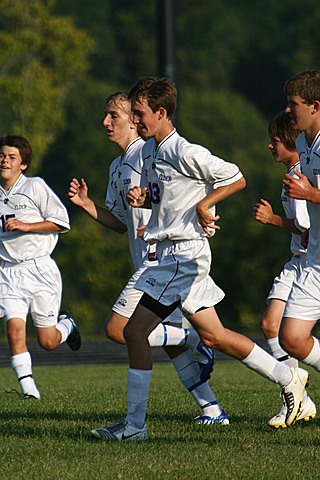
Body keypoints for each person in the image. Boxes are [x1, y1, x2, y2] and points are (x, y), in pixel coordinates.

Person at [89, 77, 309, 441]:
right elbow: (170, 196)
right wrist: (147, 198)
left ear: (161, 113)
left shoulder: (183, 150)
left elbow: (235, 177)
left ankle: (134, 427)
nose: (136, 120)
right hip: (174, 255)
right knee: (216, 336)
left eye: (140, 113)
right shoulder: (152, 151)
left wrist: (206, 205)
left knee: (131, 331)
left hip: (182, 256)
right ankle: (289, 378)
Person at [68, 92, 229, 426]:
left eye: (114, 115)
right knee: (168, 342)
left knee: (119, 329)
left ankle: (191, 340)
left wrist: (199, 213)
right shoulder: (117, 166)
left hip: (160, 259)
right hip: (149, 260)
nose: (106, 122)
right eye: (106, 115)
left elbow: (192, 186)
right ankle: (212, 410)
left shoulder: (149, 151)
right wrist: (87, 205)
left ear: (133, 118)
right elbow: (120, 221)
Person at [0, 135, 81, 399]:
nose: (4, 160)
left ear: (23, 164)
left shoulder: (35, 186)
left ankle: (67, 325)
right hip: (8, 272)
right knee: (14, 330)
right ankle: (29, 390)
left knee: (47, 341)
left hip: (39, 270)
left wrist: (27, 225)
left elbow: (61, 222)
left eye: (11, 157)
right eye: (2, 155)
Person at [253, 111, 316, 428]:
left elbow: (305, 228)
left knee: (280, 329)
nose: (269, 146)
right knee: (269, 324)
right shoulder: (294, 172)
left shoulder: (298, 176)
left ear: (291, 144)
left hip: (306, 261)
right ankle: (297, 397)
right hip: (298, 261)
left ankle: (295, 397)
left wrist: (272, 219)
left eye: (275, 140)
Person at [274, 70, 320, 390]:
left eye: (294, 104)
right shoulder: (303, 141)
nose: (288, 111)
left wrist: (310, 194)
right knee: (290, 336)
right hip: (315, 259)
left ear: (315, 106)